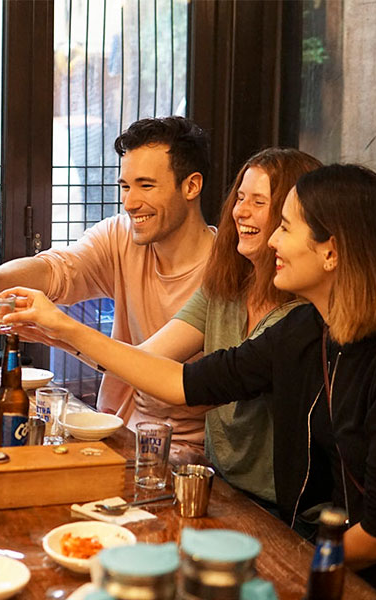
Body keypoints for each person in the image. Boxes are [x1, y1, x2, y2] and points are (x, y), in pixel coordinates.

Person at [2, 164, 376, 591]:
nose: (272, 237)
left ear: (330, 252)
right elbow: (182, 383)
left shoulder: (371, 356)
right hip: (307, 539)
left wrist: (292, 569)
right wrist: (65, 327)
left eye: (284, 225)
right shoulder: (306, 331)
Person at [0, 116, 216, 450]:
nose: (129, 202)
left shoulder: (225, 269)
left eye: (146, 185)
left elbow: (148, 365)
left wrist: (59, 330)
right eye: (125, 186)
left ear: (191, 185)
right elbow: (55, 270)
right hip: (118, 431)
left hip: (190, 452)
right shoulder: (120, 236)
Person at [137, 148, 321, 504]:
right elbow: (146, 360)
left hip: (280, 508)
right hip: (216, 483)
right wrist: (54, 330)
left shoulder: (302, 319)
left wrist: (63, 329)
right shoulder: (225, 287)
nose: (240, 212)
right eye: (239, 198)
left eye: (258, 202)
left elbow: (184, 385)